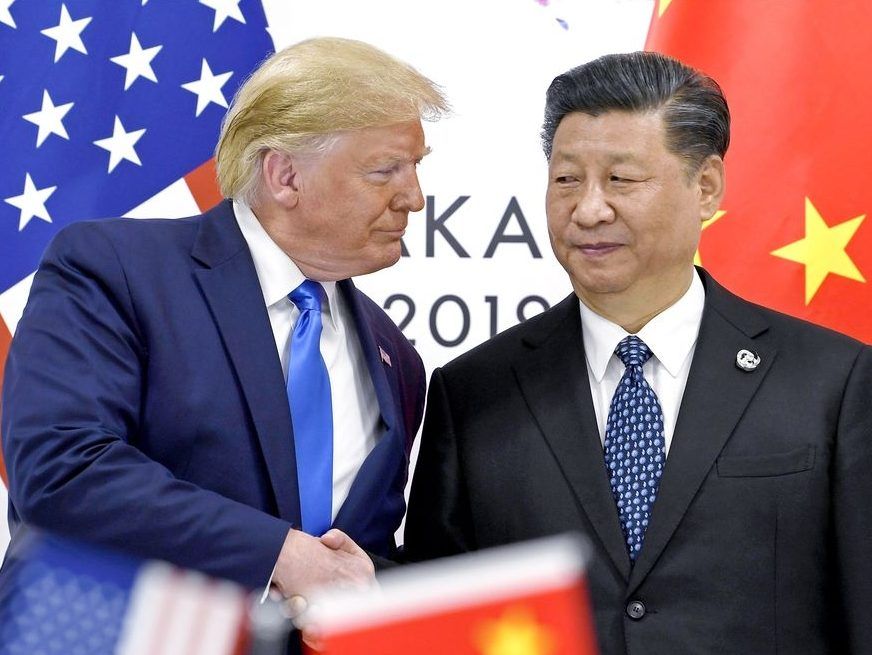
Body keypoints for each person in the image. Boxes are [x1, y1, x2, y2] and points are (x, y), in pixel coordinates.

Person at [404, 51, 872, 654]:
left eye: (621, 179)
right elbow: (440, 613)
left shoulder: (831, 381)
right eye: (567, 179)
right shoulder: (474, 392)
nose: (589, 209)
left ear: (704, 187)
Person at [2, 36, 447, 607]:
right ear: (285, 175)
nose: (413, 197)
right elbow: (61, 470)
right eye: (385, 170)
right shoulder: (115, 270)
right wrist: (280, 556)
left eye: (414, 168)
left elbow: (352, 565)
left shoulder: (396, 358)